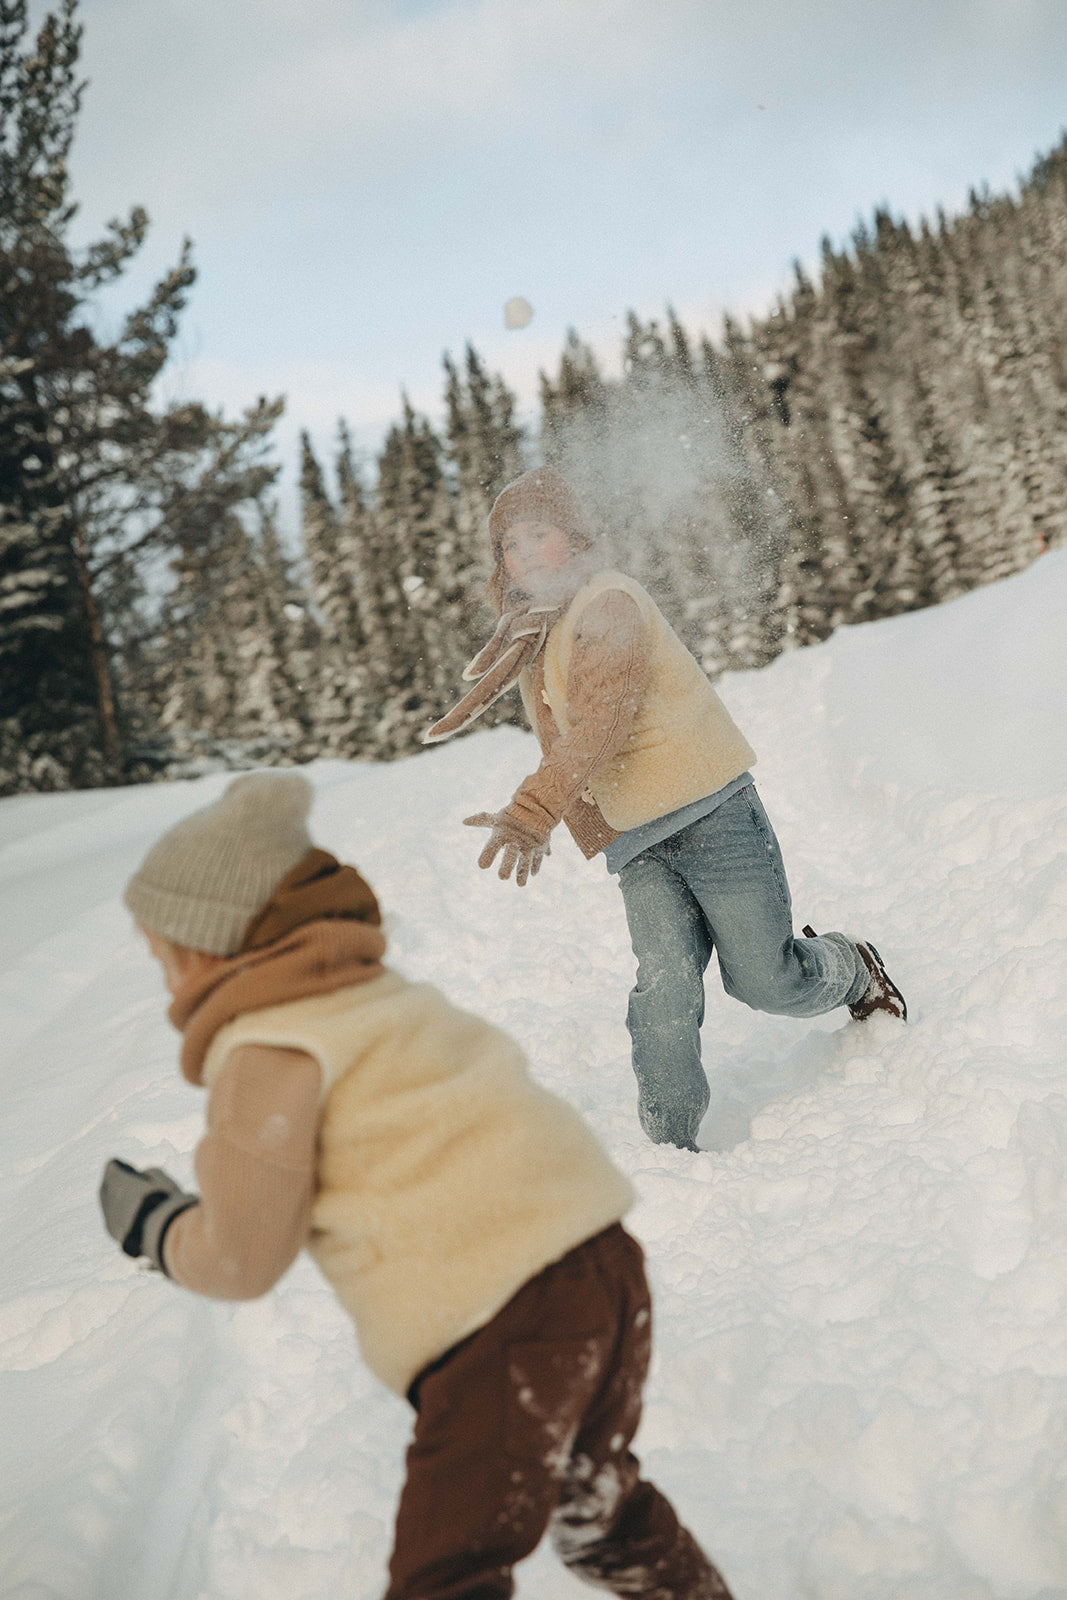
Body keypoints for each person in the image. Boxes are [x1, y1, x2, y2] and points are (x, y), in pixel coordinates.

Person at [98, 772, 733, 1600]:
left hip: (505, 1320)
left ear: (211, 945)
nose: (169, 988)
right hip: (602, 1267)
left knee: (446, 1578)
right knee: (596, 1505)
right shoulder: (382, 1000)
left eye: (165, 960)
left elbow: (242, 1258)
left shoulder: (271, 1051)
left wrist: (155, 1225)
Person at [427, 467, 907, 1153]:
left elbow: (601, 723)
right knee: (663, 995)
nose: (525, 552)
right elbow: (563, 739)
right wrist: (595, 834)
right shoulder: (538, 633)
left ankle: (852, 967)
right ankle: (668, 1145)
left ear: (574, 536)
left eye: (539, 533)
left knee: (764, 981)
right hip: (641, 845)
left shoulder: (609, 602)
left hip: (712, 815)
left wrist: (532, 811)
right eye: (509, 544)